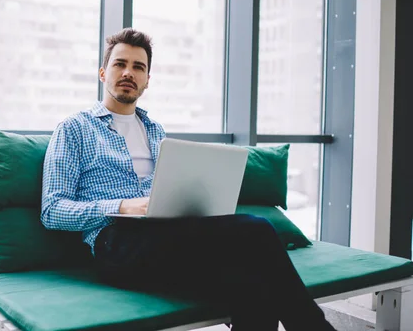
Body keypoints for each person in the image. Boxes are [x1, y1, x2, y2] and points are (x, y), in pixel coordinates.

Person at [41, 28, 336, 331]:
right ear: (103, 73)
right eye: (120, 64)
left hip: (171, 237)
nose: (129, 72)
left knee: (253, 285)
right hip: (116, 244)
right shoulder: (74, 129)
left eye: (138, 67)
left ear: (146, 80)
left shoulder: (155, 130)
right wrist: (122, 206)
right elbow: (51, 210)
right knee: (257, 230)